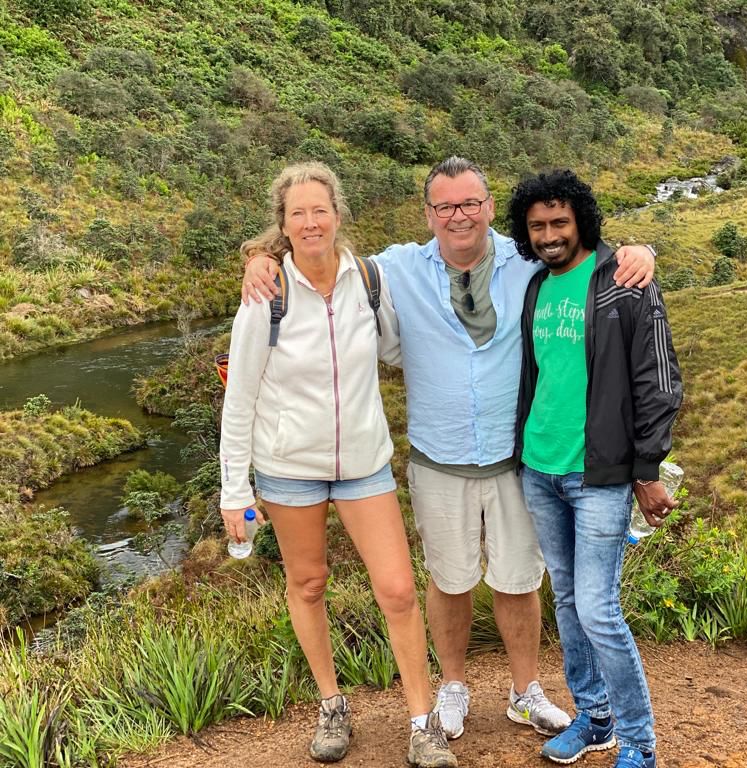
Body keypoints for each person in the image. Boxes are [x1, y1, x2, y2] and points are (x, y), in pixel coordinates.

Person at [241, 157, 656, 744]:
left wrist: (640, 252)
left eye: (470, 204)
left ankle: (524, 691)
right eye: (445, 207)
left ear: (490, 207)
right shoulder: (395, 269)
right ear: (428, 214)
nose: (458, 216)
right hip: (438, 458)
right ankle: (453, 687)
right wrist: (259, 261)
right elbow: (320, 258)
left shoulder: (525, 261)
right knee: (448, 579)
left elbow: (584, 256)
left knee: (519, 578)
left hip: (517, 458)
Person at [220, 161, 457, 768]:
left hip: (363, 464)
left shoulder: (368, 282)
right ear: (284, 224)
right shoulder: (264, 296)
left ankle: (422, 720)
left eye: (318, 210)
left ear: (337, 214)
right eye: (297, 213)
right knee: (308, 583)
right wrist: (233, 488)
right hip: (287, 468)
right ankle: (332, 703)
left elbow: (402, 351)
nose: (310, 222)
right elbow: (240, 396)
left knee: (399, 590)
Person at [509, 169, 682, 768]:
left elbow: (657, 382)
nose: (549, 235)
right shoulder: (535, 286)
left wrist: (647, 467)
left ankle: (639, 741)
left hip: (599, 474)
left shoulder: (624, 282)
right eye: (537, 226)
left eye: (559, 222)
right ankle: (596, 718)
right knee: (566, 599)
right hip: (538, 468)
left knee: (598, 608)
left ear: (581, 219)